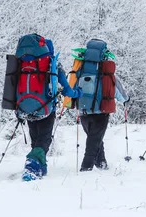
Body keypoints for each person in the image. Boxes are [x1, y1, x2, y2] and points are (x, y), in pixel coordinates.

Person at [23, 38, 83, 180]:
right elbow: (67, 90)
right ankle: (31, 168)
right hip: (46, 108)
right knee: (44, 139)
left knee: (36, 137)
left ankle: (40, 167)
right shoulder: (52, 64)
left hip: (26, 106)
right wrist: (77, 93)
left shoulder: (24, 63)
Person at [80, 76, 129, 171]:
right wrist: (126, 99)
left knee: (95, 138)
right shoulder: (108, 74)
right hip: (101, 112)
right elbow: (121, 95)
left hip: (84, 111)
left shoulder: (81, 72)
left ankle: (101, 163)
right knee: (95, 139)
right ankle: (86, 166)